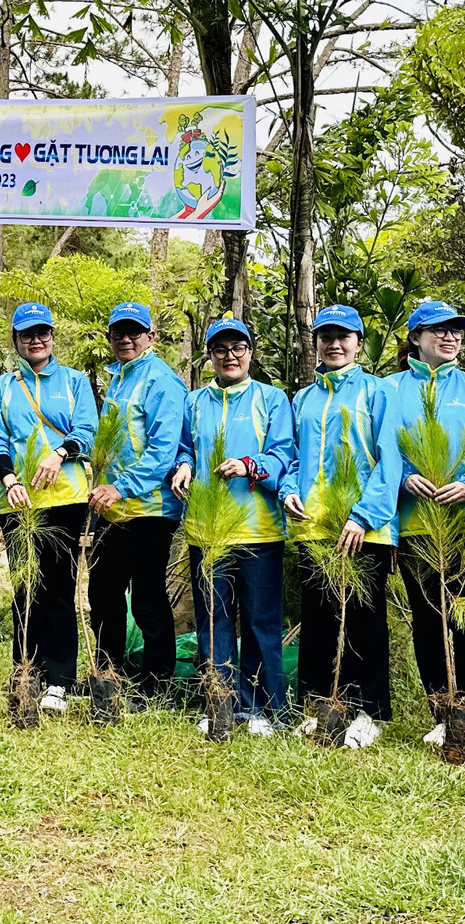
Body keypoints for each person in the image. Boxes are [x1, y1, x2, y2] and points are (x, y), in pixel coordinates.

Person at [382, 299, 465, 759]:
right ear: (415, 338)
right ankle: (440, 715)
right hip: (414, 523)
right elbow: (381, 446)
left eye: (455, 331)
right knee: (427, 620)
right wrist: (405, 475)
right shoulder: (388, 389)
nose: (449, 337)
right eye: (437, 330)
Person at [173, 316, 296, 737]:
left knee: (261, 621)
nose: (230, 356)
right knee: (213, 620)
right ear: (210, 356)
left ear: (250, 352)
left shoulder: (272, 399)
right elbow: (184, 446)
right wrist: (184, 466)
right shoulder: (194, 401)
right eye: (221, 350)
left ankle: (264, 708)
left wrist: (250, 465)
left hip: (259, 529)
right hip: (207, 532)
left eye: (238, 348)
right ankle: (219, 703)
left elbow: (284, 455)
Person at [288, 305, 400, 749]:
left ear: (358, 342)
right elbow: (295, 456)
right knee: (318, 620)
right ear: (315, 341)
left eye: (344, 336)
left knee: (364, 621)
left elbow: (390, 460)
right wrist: (286, 490)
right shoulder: (304, 398)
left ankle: (368, 712)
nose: (334, 344)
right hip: (312, 525)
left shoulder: (378, 392)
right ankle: (322, 706)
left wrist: (363, 515)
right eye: (326, 336)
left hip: (363, 527)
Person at [0, 302, 98, 714]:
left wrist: (61, 453)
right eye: (27, 334)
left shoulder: (73, 381)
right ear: (16, 340)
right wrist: (9, 478)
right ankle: (25, 670)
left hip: (66, 499)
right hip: (19, 501)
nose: (36, 340)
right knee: (24, 589)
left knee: (59, 590)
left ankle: (60, 681)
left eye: (42, 333)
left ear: (52, 337)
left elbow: (86, 428)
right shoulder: (1, 387)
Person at [86, 301, 184, 709]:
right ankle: (109, 675)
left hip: (149, 509)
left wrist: (121, 488)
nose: (125, 339)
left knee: (146, 598)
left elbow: (162, 453)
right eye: (117, 333)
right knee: (103, 593)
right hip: (113, 508)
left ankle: (157, 684)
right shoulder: (119, 379)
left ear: (151, 337)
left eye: (134, 332)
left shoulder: (162, 380)